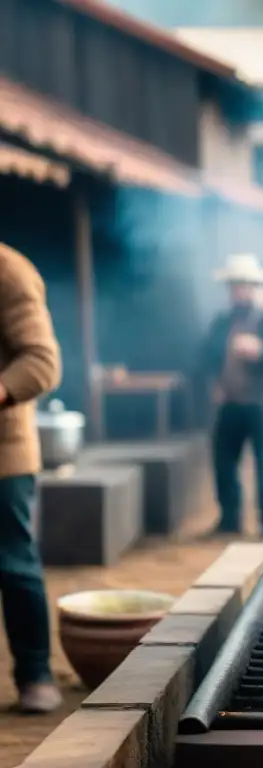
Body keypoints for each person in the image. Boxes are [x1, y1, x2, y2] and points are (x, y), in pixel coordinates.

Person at [0, 242, 63, 713]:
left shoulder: (9, 270)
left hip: (4, 455)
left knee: (13, 563)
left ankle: (35, 673)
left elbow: (42, 361)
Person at [201, 254, 263, 537]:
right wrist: (215, 382)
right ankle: (229, 520)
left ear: (254, 286)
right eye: (233, 285)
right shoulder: (223, 320)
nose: (237, 291)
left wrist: (262, 350)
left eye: (242, 285)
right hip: (230, 402)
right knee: (224, 462)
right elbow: (207, 355)